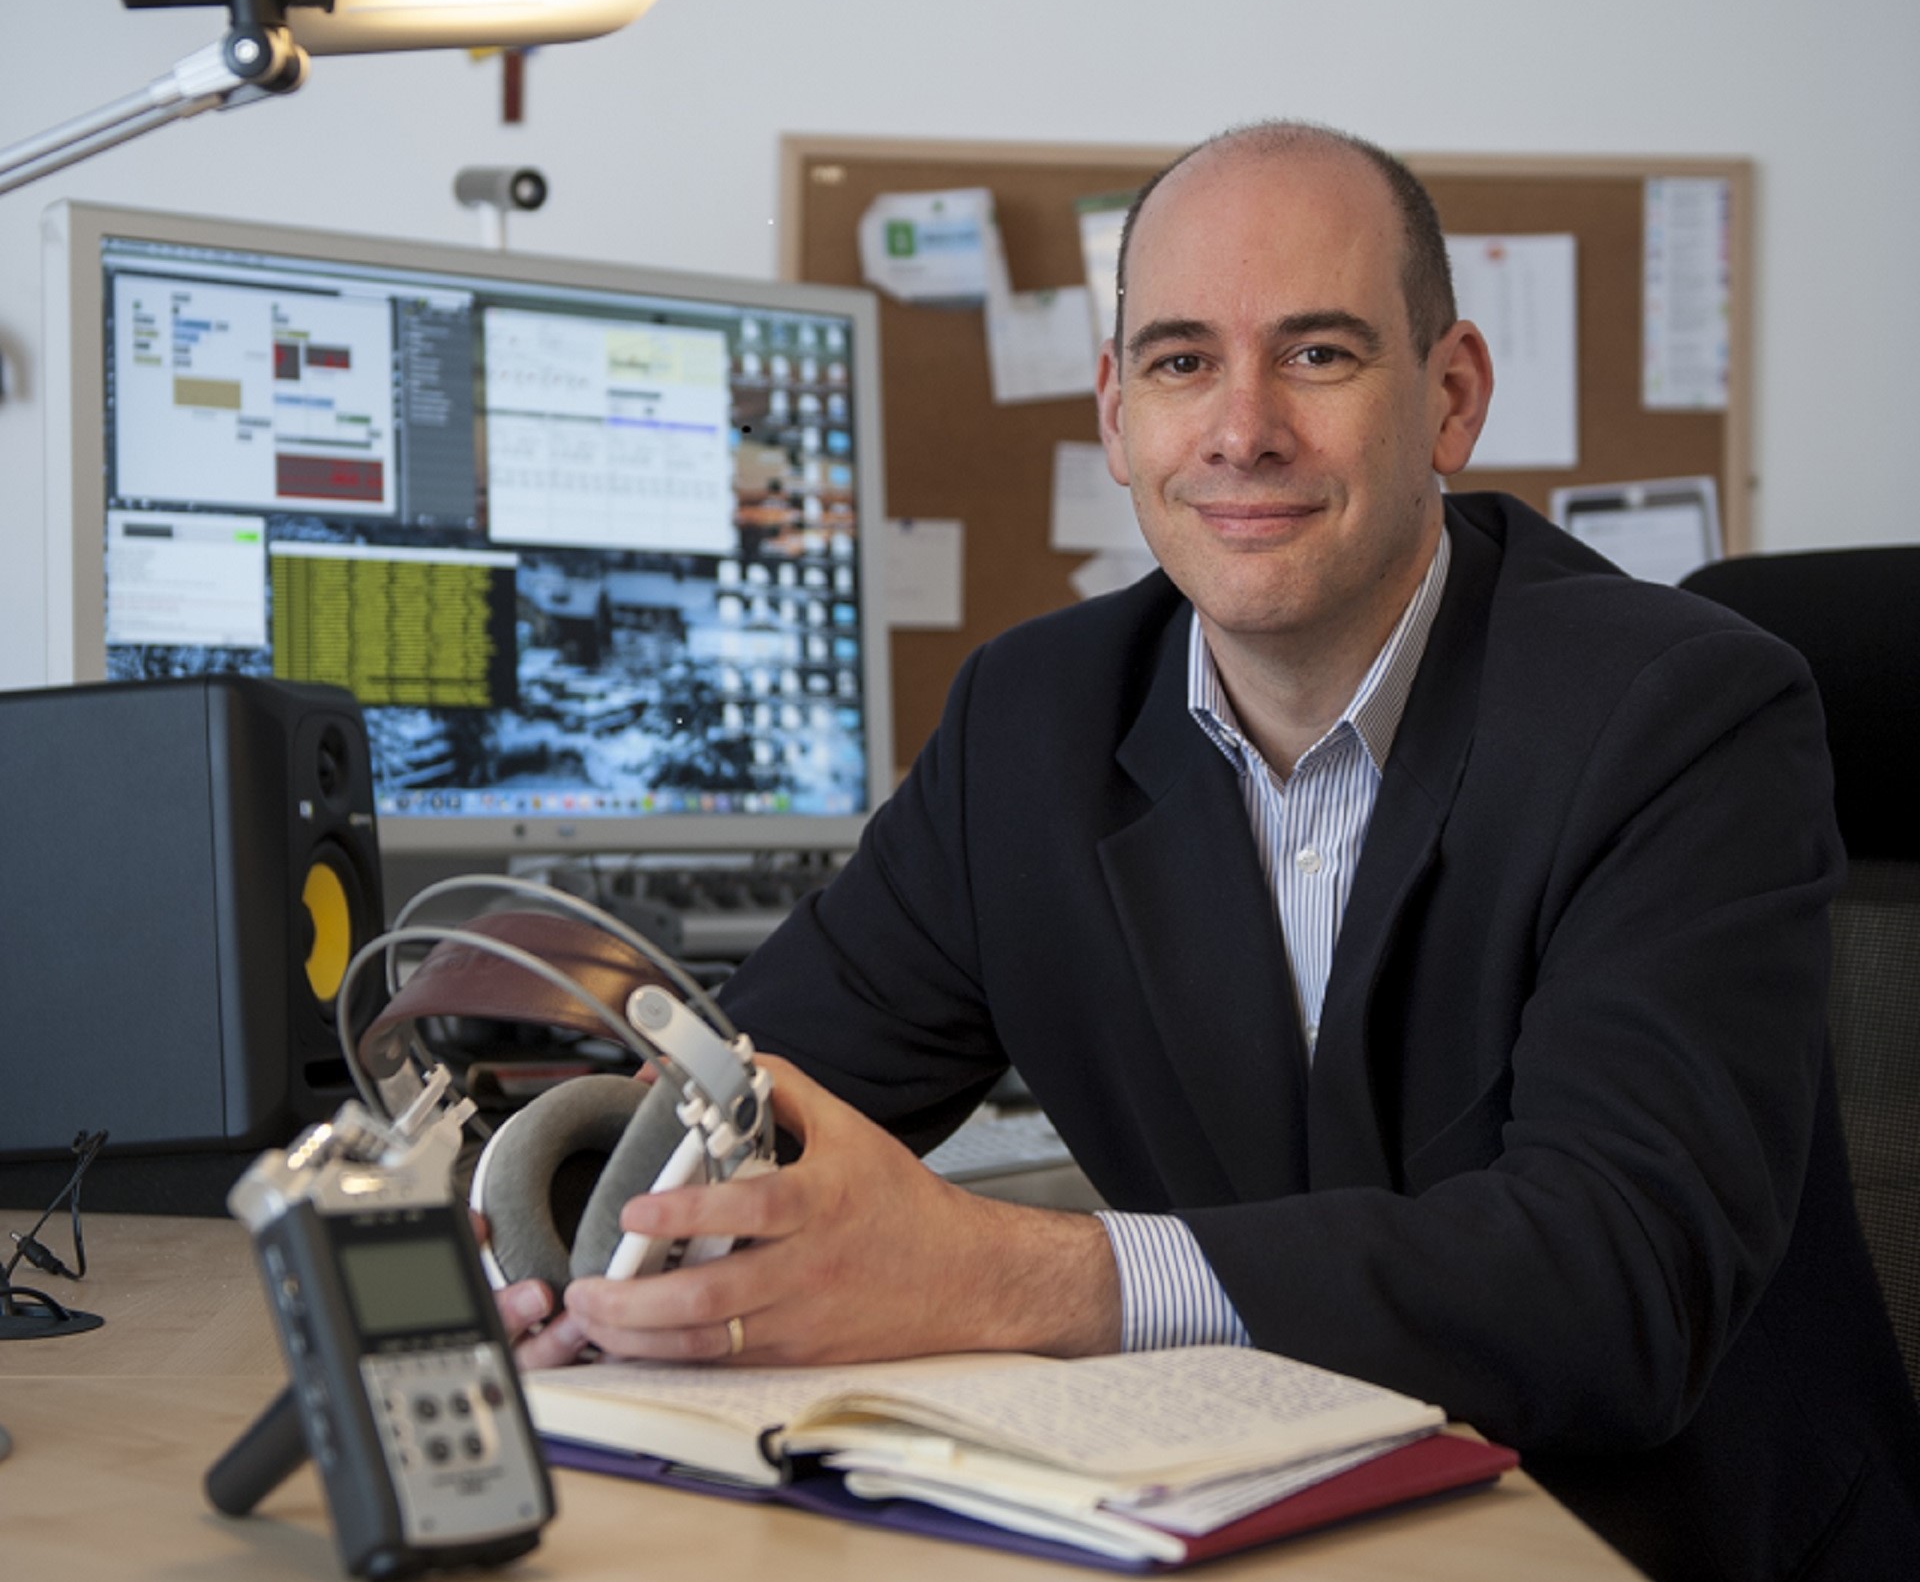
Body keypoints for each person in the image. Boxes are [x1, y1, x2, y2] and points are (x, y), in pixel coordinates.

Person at [497, 123, 1920, 1579]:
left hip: (1644, 1542)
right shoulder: (1026, 726)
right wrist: (567, 1238)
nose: (1243, 429)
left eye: (1317, 355)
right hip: (1246, 1526)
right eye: (1182, 361)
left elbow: (1618, 1279)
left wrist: (1020, 1276)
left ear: (1451, 396)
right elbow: (752, 1092)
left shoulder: (1680, 713)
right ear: (1116, 412)